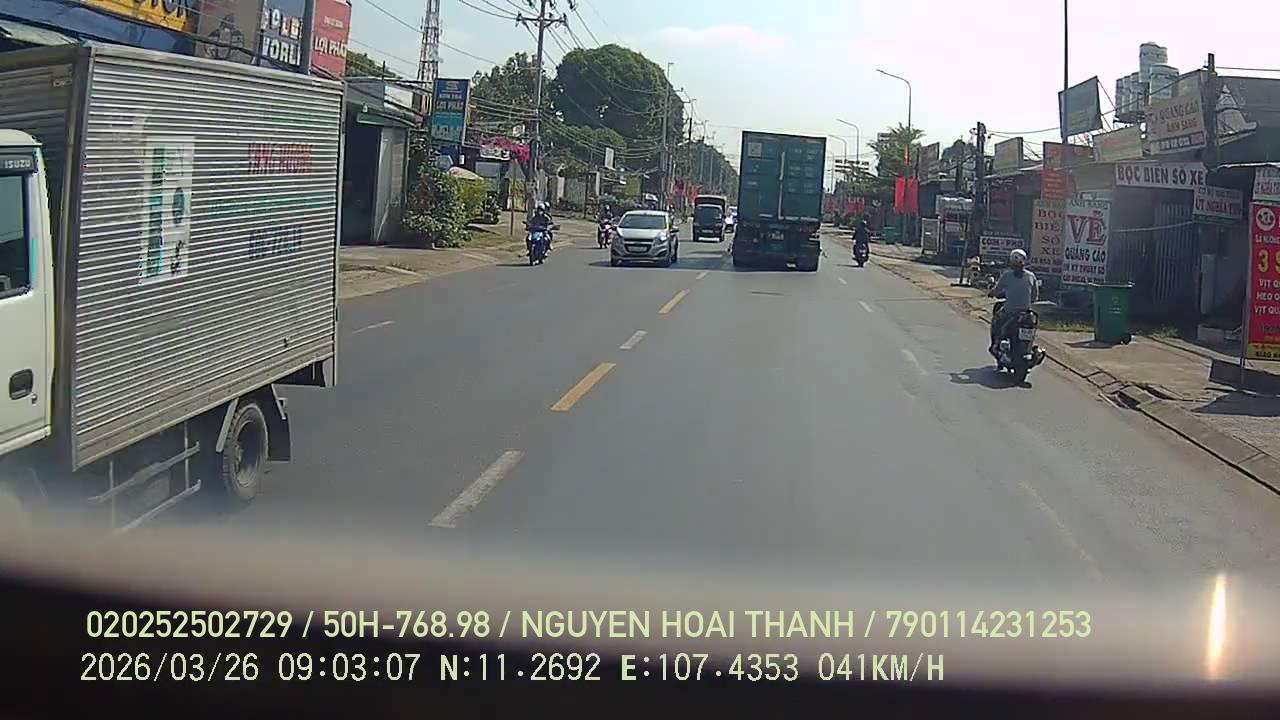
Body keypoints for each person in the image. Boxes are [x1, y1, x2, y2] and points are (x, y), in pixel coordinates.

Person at [988, 248, 1038, 354]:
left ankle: (996, 345)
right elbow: (1034, 296)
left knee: (996, 321)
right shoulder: (1031, 276)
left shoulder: (1007, 275)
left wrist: (992, 293)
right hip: (1026, 313)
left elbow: (997, 290)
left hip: (1010, 311)